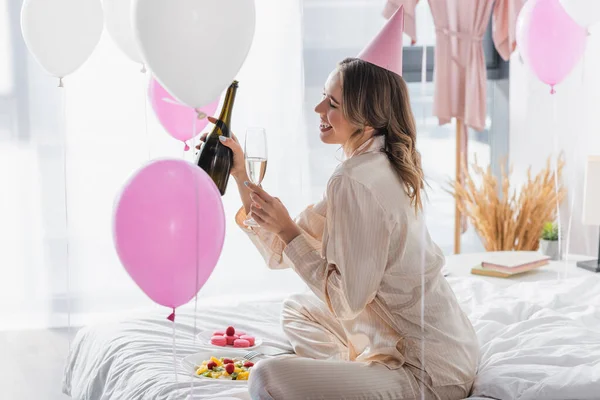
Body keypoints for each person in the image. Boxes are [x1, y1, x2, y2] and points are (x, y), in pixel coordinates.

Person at [199, 7, 479, 400]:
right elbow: (284, 251)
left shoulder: (356, 180)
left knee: (265, 378)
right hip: (449, 347)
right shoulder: (372, 163)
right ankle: (349, 377)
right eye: (322, 97)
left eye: (332, 103)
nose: (319, 110)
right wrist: (241, 172)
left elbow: (346, 301)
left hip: (426, 370)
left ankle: (352, 379)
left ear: (366, 117)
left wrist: (288, 230)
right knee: (297, 309)